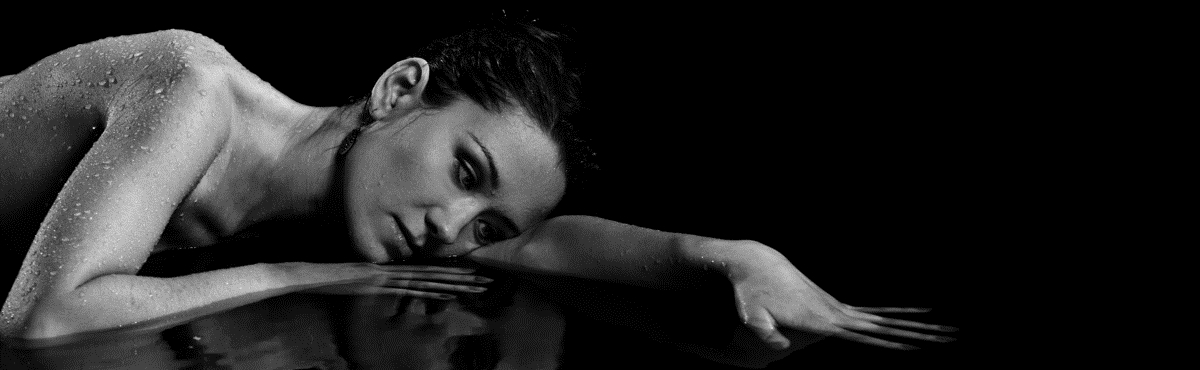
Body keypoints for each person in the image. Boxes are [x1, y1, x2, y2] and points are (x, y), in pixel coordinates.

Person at [0, 17, 954, 366]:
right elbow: (46, 319)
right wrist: (294, 276)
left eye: (484, 220)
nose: (454, 228)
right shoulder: (193, 88)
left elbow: (546, 245)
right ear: (399, 90)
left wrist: (730, 257)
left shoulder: (397, 222)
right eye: (466, 172)